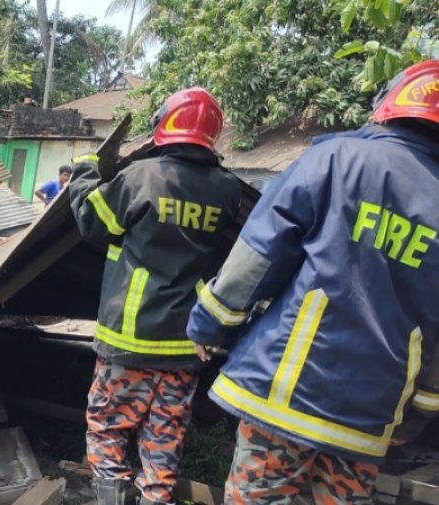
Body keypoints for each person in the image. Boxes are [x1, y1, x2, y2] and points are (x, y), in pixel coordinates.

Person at [186, 60, 439, 505]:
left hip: (285, 396)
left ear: (390, 102)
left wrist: (209, 325)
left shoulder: (335, 159)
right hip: (368, 420)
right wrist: (413, 418)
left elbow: (258, 257)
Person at [69, 88, 242, 505]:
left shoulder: (141, 176)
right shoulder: (228, 190)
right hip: (186, 342)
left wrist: (84, 172)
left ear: (165, 124)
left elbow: (93, 222)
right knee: (165, 434)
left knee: (109, 428)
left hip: (129, 337)